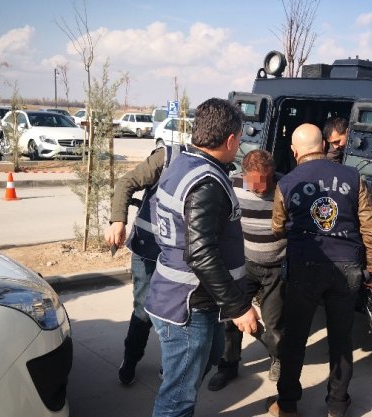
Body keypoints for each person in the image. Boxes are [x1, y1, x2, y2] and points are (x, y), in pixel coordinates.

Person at [144, 98, 260, 417]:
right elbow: (201, 253)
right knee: (177, 399)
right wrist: (238, 306)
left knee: (204, 361)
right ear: (231, 139)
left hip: (180, 296)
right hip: (187, 307)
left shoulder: (182, 162)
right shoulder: (206, 183)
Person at [267, 123, 372, 417]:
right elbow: (369, 225)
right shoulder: (354, 177)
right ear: (323, 145)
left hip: (304, 267)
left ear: (294, 151)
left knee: (295, 339)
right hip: (347, 267)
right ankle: (337, 407)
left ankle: (288, 405)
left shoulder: (287, 182)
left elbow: (278, 228)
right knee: (341, 339)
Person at [207, 150, 287, 391]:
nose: (260, 187)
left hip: (276, 269)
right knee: (232, 319)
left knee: (274, 323)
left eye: (265, 179)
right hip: (245, 266)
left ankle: (278, 359)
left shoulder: (286, 187)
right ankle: (228, 366)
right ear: (243, 175)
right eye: (254, 180)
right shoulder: (232, 186)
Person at [104, 145, 169, 385]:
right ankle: (130, 359)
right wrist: (118, 220)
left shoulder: (214, 167)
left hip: (180, 257)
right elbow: (126, 183)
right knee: (143, 309)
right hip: (147, 249)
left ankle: (169, 364)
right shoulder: (166, 158)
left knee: (174, 313)